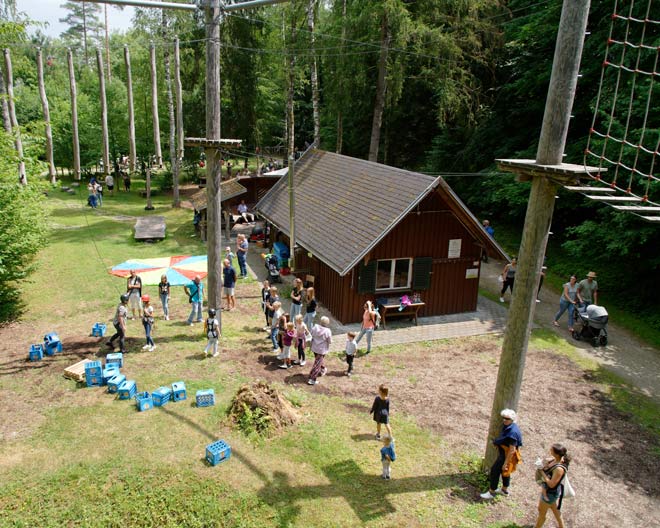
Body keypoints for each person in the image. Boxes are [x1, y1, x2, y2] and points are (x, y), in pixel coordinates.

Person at [481, 409, 523, 500]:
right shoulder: (510, 426)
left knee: (495, 471)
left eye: (507, 419)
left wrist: (505, 463)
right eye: (503, 418)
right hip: (504, 453)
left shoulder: (512, 432)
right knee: (506, 472)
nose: (504, 420)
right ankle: (504, 490)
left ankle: (492, 492)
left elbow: (512, 450)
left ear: (512, 419)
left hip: (506, 455)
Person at [534, 444, 571, 528]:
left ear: (557, 454)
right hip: (552, 493)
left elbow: (551, 484)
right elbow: (549, 465)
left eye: (551, 450)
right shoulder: (557, 459)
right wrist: (543, 463)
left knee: (541, 512)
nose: (550, 451)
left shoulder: (559, 469)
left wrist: (541, 471)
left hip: (550, 493)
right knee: (555, 510)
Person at [307, 316, 332, 385]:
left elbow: (311, 334)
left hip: (314, 347)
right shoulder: (327, 331)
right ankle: (312, 379)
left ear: (320, 322)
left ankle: (323, 369)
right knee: (317, 364)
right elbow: (329, 341)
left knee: (318, 361)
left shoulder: (315, 327)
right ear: (327, 323)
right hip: (321, 350)